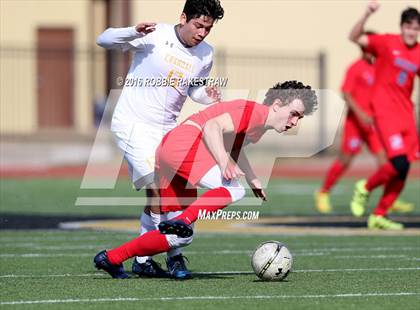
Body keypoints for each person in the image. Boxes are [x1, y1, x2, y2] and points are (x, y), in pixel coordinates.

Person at [93, 80, 318, 278]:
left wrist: (252, 178)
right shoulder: (257, 113)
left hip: (172, 149)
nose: (295, 122)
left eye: (300, 117)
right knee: (233, 191)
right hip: (185, 144)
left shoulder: (258, 123)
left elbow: (234, 146)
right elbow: (212, 127)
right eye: (294, 113)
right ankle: (183, 221)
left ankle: (111, 258)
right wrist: (223, 162)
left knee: (179, 238)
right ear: (277, 104)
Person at [96, 0, 224, 279]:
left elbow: (194, 90)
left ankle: (142, 260)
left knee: (173, 194)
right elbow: (103, 39)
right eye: (198, 25)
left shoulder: (205, 54)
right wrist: (132, 30)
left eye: (208, 28)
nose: (202, 33)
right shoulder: (155, 34)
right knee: (158, 189)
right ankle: (174, 256)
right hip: (132, 124)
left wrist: (207, 96)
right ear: (183, 18)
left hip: (168, 131)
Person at [315, 45, 413, 214]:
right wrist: (360, 114)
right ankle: (323, 192)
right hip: (356, 123)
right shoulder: (356, 68)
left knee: (387, 163)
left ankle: (389, 200)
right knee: (345, 160)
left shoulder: (381, 68)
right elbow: (346, 93)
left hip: (374, 124)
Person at [348, 2, 419, 229]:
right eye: (409, 27)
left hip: (407, 114)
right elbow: (354, 37)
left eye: (416, 28)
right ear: (401, 27)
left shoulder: (418, 52)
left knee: (405, 168)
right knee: (398, 162)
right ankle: (364, 188)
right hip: (385, 112)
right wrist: (367, 14)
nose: (412, 32)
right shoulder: (387, 42)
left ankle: (379, 215)